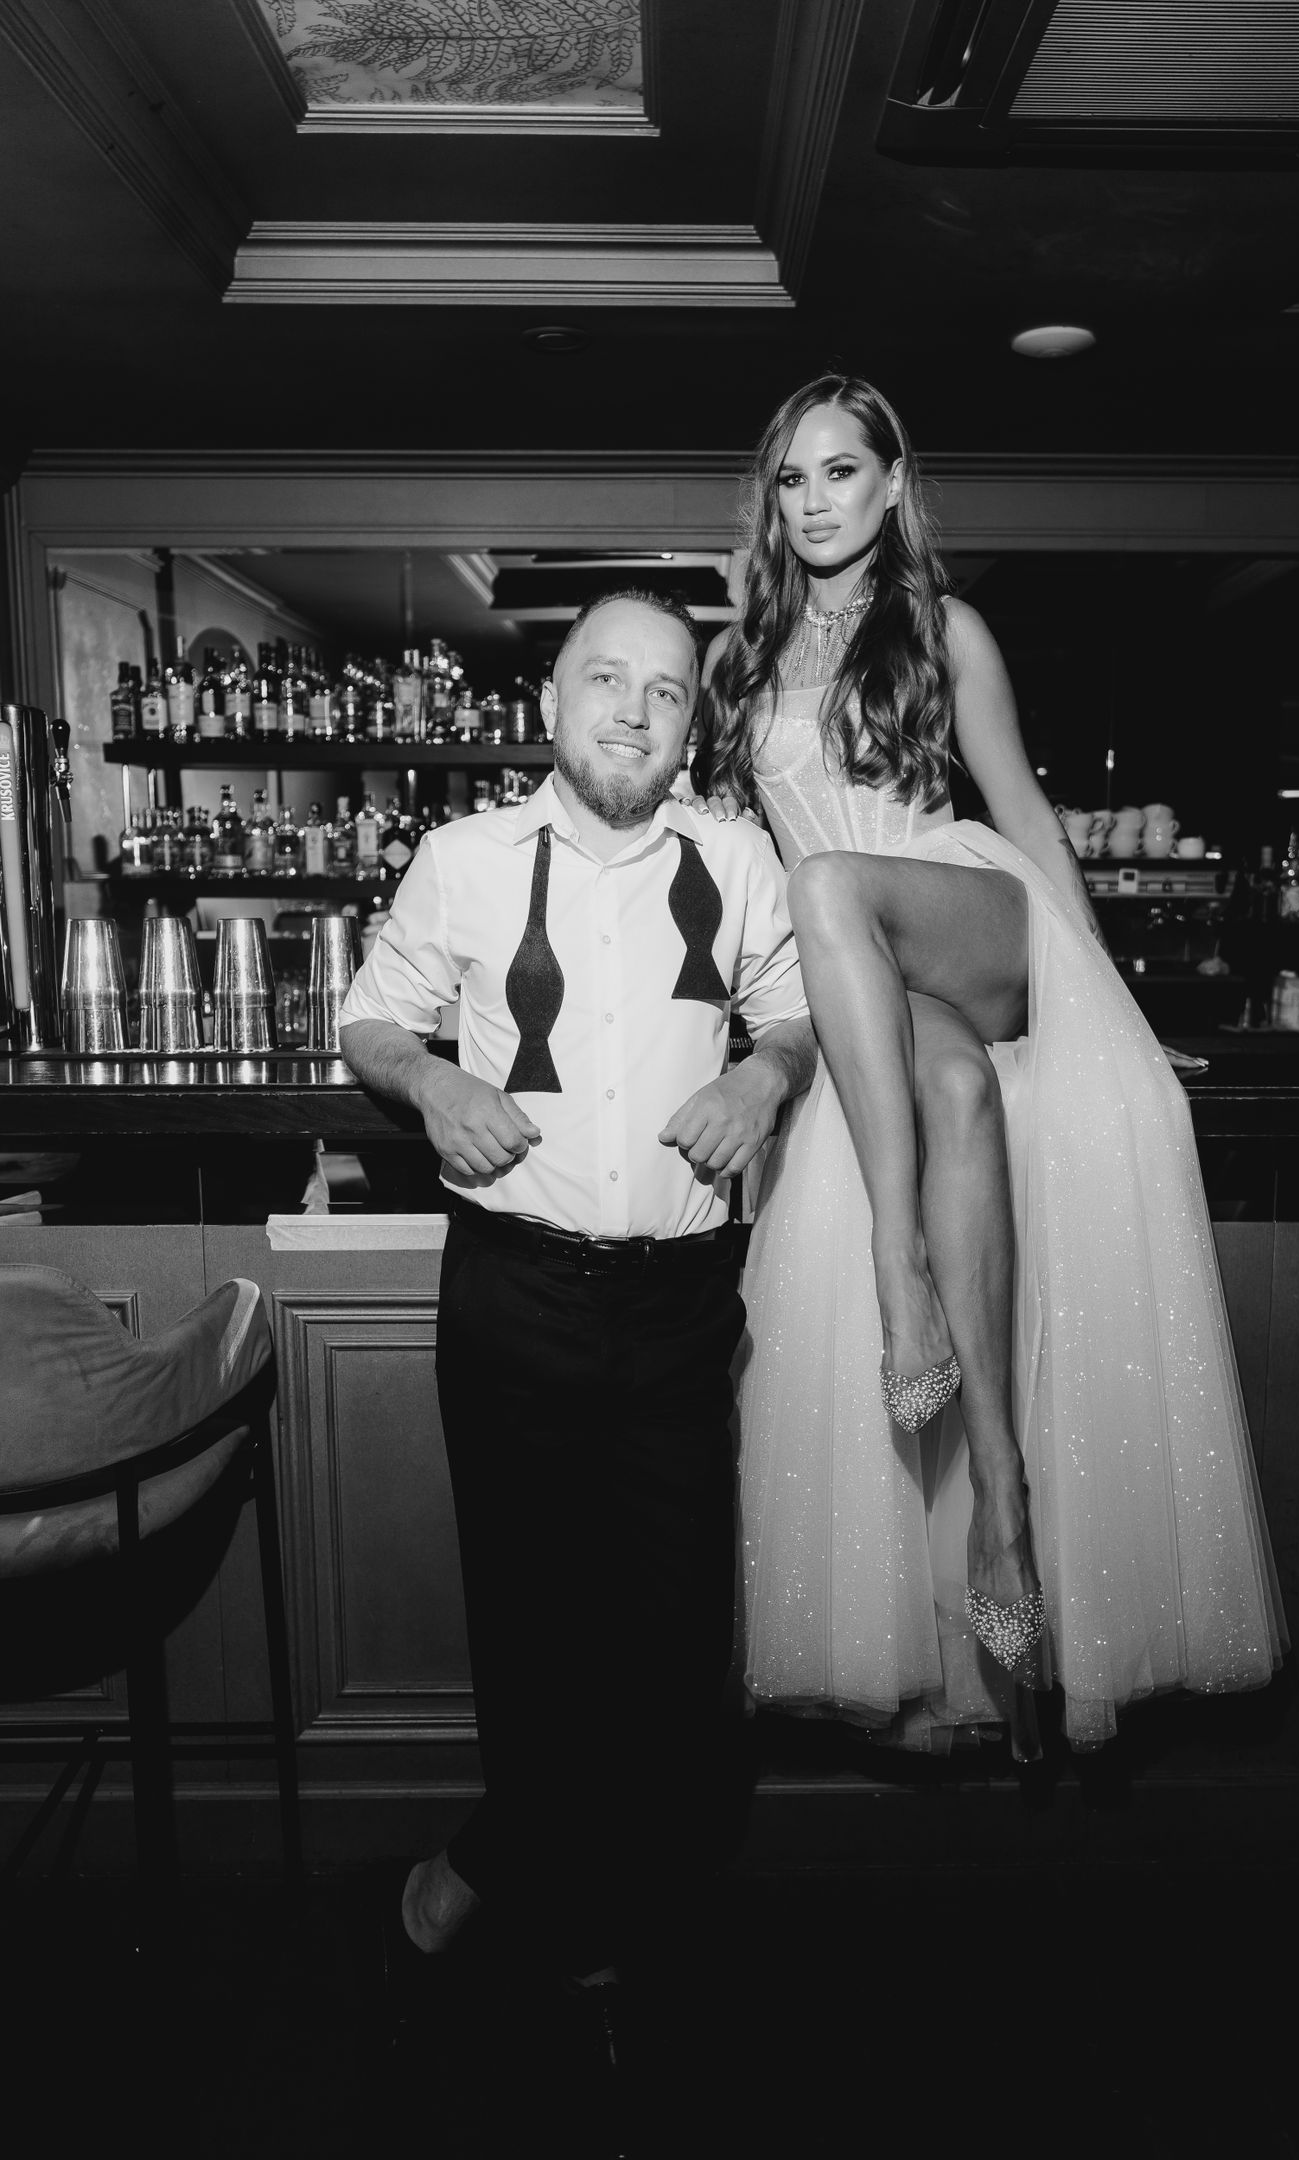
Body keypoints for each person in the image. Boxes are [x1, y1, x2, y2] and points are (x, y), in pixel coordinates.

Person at [695, 376, 1286, 1752]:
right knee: (952, 1088)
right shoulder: (739, 658)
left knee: (832, 879)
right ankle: (1004, 1512)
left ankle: (898, 1272)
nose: (816, 501)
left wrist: (1103, 1003)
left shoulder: (944, 627)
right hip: (867, 987)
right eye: (792, 479)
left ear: (893, 483)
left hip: (968, 919)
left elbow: (1020, 808)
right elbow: (725, 857)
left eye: (843, 471)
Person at [338, 590, 815, 2012]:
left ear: (690, 725)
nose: (634, 710)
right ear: (552, 700)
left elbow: (796, 1010)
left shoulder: (740, 861)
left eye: (666, 691)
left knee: (673, 1642)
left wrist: (764, 1074)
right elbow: (371, 1014)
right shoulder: (463, 861)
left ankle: (492, 1866)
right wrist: (431, 1082)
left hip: (682, 1304)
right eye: (607, 679)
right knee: (532, 1630)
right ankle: (580, 1919)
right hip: (517, 1291)